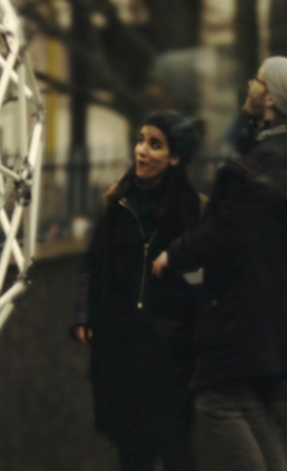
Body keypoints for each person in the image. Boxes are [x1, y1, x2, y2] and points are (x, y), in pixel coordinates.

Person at [152, 57, 287, 471]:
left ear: (268, 97)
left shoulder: (254, 167)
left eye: (258, 80)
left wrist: (173, 254)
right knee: (249, 401)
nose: (250, 84)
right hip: (283, 311)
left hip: (243, 312)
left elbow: (226, 229)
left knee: (217, 399)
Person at [71, 111, 203, 471]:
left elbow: (203, 278)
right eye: (141, 140)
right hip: (121, 343)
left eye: (155, 144)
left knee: (174, 444)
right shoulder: (118, 202)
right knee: (131, 448)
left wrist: (178, 262)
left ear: (174, 158)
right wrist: (84, 314)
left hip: (169, 347)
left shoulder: (191, 209)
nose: (141, 151)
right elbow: (92, 264)